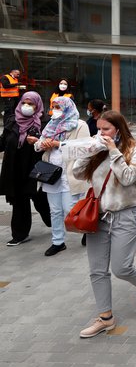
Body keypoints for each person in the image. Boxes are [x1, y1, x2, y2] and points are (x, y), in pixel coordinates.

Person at [72, 110, 136, 338]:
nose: (101, 133)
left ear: (118, 129)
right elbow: (78, 173)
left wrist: (113, 151)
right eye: (98, 129)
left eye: (106, 129)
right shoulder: (97, 151)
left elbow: (128, 178)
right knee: (97, 270)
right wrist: (89, 152)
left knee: (121, 268)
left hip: (126, 215)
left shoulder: (135, 150)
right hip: (98, 216)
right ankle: (105, 318)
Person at [34, 96, 90, 256]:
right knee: (55, 210)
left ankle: (88, 228)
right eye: (54, 106)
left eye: (58, 106)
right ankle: (57, 241)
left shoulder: (80, 125)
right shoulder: (51, 125)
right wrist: (40, 144)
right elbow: (39, 144)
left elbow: (84, 147)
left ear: (67, 107)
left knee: (70, 209)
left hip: (70, 174)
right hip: (51, 174)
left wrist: (58, 144)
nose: (55, 109)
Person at [0, 91, 51, 246]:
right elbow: (3, 142)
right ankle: (19, 234)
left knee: (41, 200)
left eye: (31, 104)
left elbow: (51, 145)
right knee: (19, 201)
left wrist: (38, 142)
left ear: (38, 105)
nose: (26, 106)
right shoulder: (12, 121)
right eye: (24, 103)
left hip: (36, 169)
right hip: (14, 169)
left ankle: (54, 222)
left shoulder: (45, 123)